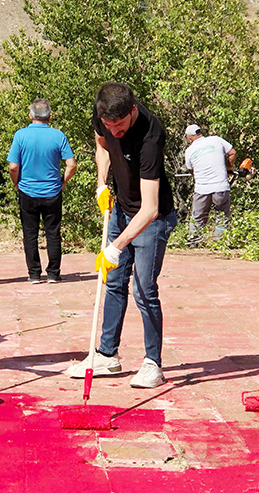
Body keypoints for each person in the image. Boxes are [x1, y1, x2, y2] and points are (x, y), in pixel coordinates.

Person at [67, 82, 177, 389]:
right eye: (109, 125)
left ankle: (153, 364)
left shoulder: (151, 135)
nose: (115, 131)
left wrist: (116, 247)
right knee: (113, 282)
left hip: (152, 219)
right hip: (120, 209)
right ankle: (107, 356)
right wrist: (102, 183)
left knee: (144, 290)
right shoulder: (103, 113)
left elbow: (151, 209)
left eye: (121, 125)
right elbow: (102, 145)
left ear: (133, 111)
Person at [7, 99, 77, 283]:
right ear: (49, 117)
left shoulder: (21, 135)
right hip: (52, 191)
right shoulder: (58, 135)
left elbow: (13, 166)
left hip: (27, 191)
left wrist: (16, 183)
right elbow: (71, 164)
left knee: (30, 234)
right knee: (53, 233)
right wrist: (62, 181)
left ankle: (34, 274)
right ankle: (53, 273)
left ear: (30, 116)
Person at [183, 124, 236, 245]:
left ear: (190, 138)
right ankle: (219, 242)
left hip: (202, 189)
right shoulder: (216, 140)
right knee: (222, 215)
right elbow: (232, 153)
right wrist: (229, 168)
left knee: (198, 217)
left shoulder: (189, 151)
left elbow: (191, 170)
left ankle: (194, 241)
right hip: (221, 187)